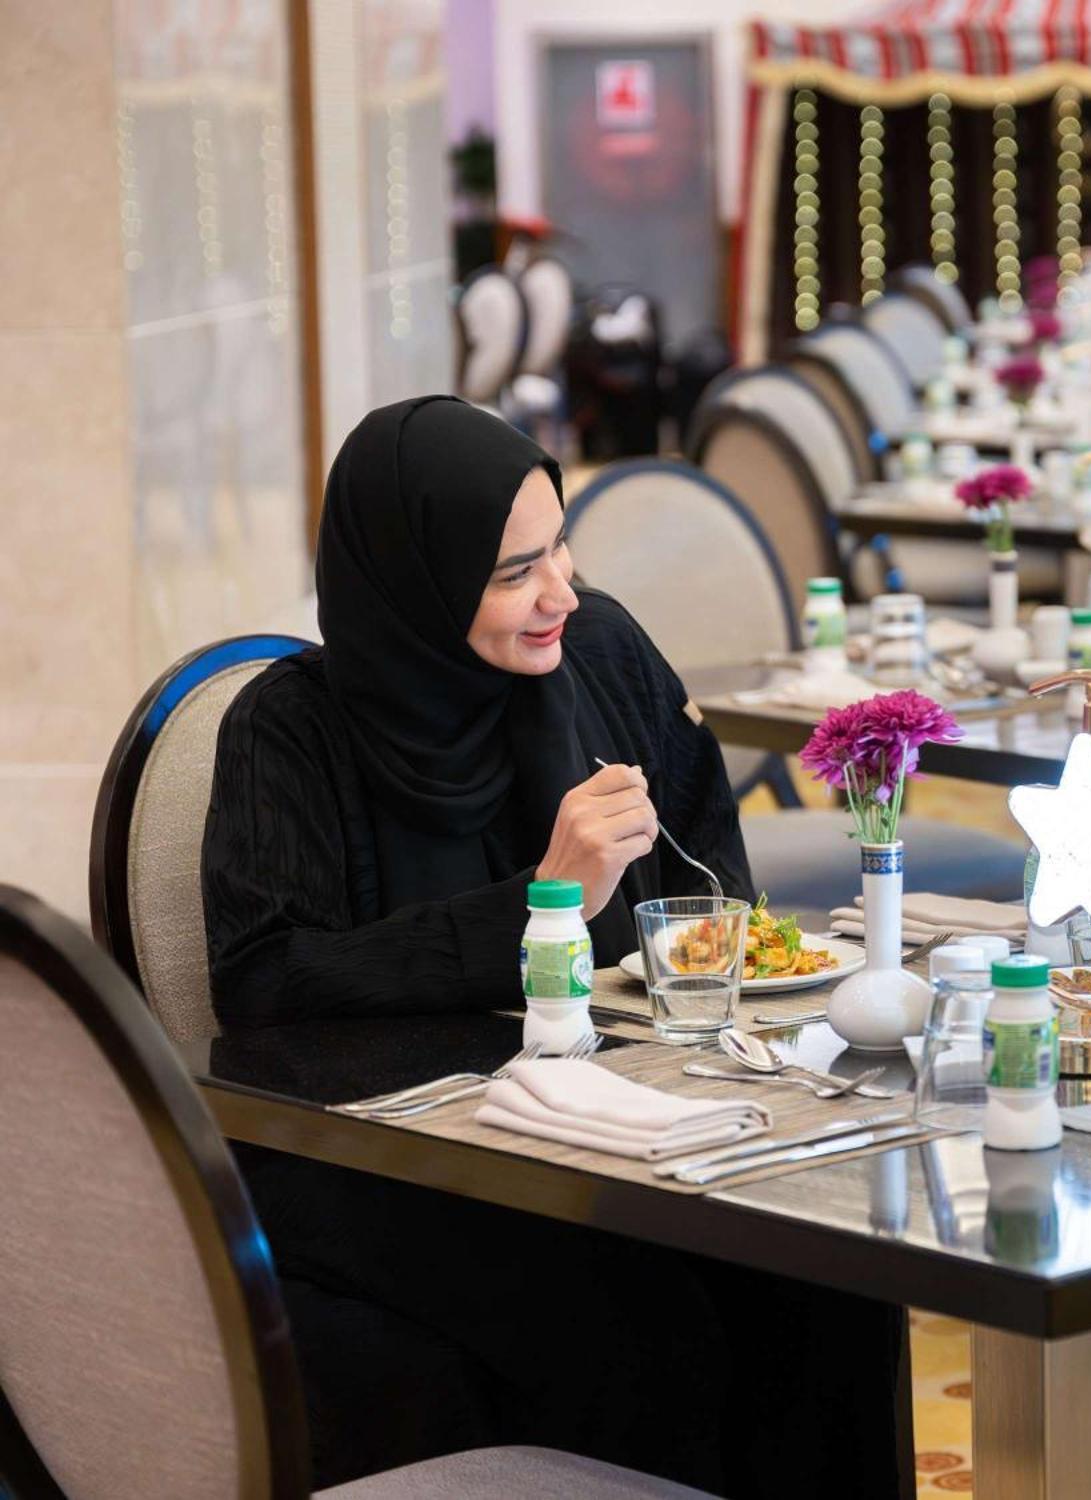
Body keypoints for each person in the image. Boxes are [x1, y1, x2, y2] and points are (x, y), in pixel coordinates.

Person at [202, 396, 908, 1494]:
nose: (560, 593)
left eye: (560, 545)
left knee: (828, 1279)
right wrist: (544, 902)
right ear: (414, 581)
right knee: (641, 1323)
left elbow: (714, 896)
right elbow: (262, 981)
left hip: (610, 1113)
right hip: (381, 1155)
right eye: (510, 573)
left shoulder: (603, 655)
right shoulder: (290, 731)